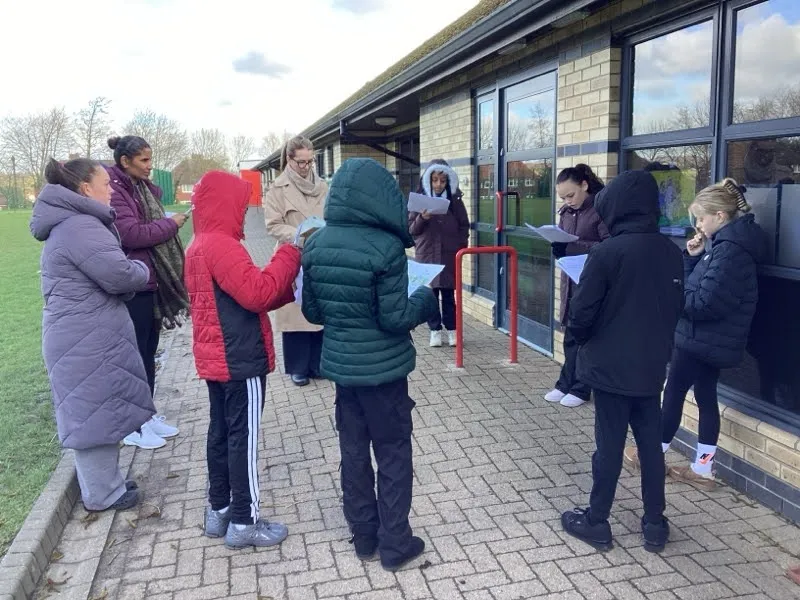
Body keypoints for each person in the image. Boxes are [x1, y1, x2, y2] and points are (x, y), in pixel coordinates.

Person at [301, 158, 438, 571]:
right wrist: (425, 301)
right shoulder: (386, 248)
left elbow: (312, 311)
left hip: (343, 371)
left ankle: (363, 536)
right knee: (393, 453)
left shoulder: (316, 244)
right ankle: (396, 543)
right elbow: (395, 318)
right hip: (384, 374)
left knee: (353, 449)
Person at [560, 170, 683, 554]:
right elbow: (676, 307)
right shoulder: (670, 252)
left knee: (609, 447)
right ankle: (654, 522)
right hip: (651, 366)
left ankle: (597, 520)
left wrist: (583, 341)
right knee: (649, 445)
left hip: (610, 367)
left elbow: (580, 315)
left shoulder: (607, 252)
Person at [31, 158, 156, 512]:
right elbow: (119, 275)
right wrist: (141, 269)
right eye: (106, 184)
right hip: (83, 337)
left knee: (100, 409)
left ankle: (107, 485)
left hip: (83, 333)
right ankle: (102, 495)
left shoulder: (74, 224)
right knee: (93, 413)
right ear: (86, 189)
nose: (112, 188)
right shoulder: (80, 227)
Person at [184, 170, 301, 549]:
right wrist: (289, 253)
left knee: (220, 434)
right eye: (240, 204)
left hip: (216, 357)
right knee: (243, 440)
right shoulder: (222, 245)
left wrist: (282, 291)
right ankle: (245, 521)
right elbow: (255, 295)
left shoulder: (198, 244)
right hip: (239, 358)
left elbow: (242, 296)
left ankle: (218, 511)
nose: (242, 212)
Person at [624, 179, 766, 489]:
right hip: (709, 340)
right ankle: (702, 468)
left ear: (720, 215)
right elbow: (701, 290)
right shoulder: (724, 247)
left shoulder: (731, 252)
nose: (698, 225)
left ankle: (652, 455)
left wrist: (673, 294)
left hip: (701, 339)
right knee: (704, 397)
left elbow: (702, 303)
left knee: (673, 392)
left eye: (701, 218)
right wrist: (691, 258)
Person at [107, 135, 189, 449]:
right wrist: (172, 224)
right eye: (143, 160)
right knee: (135, 355)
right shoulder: (116, 190)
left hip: (149, 280)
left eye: (150, 159)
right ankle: (132, 424)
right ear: (125, 161)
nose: (149, 166)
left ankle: (146, 414)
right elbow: (130, 234)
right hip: (134, 284)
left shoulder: (139, 188)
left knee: (148, 352)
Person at [264, 136, 328, 387]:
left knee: (318, 307)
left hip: (320, 253)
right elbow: (272, 225)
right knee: (295, 313)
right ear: (289, 160)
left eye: (310, 162)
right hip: (292, 255)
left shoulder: (323, 186)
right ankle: (297, 367)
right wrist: (300, 233)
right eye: (300, 162)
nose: (305, 167)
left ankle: (317, 363)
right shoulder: (277, 189)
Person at [545, 164, 609, 408]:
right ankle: (565, 384)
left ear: (584, 185)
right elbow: (565, 244)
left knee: (584, 339)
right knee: (570, 336)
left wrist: (573, 246)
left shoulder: (600, 211)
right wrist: (558, 248)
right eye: (563, 197)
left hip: (592, 283)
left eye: (571, 195)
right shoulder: (566, 213)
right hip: (570, 282)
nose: (568, 201)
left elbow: (609, 247)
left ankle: (582, 388)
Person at [408, 159, 470, 348]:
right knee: (431, 296)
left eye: (442, 181)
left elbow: (464, 226)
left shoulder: (455, 201)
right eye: (434, 180)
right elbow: (411, 230)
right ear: (428, 180)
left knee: (449, 296)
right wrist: (422, 218)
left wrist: (460, 245)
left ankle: (452, 330)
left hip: (449, 255)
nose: (438, 185)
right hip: (427, 255)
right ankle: (435, 330)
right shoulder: (419, 201)